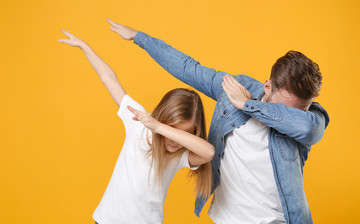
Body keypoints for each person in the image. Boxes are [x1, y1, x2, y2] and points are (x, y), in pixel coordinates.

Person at [107, 18, 330, 224]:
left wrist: (247, 105)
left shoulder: (311, 120)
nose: (288, 116)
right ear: (268, 86)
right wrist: (139, 37)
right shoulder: (235, 88)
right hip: (226, 218)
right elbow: (188, 68)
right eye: (282, 107)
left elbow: (308, 127)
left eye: (301, 110)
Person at [58, 30, 215, 224]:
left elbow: (208, 152)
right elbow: (109, 79)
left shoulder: (180, 154)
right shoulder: (140, 124)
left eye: (184, 134)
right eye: (172, 128)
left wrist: (159, 128)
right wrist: (84, 46)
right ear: (163, 117)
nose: (175, 140)